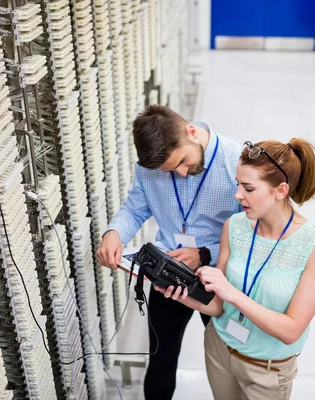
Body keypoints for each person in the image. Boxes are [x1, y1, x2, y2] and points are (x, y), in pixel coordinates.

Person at [156, 139, 315, 400]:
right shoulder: (235, 225)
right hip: (220, 351)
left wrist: (230, 292)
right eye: (237, 185)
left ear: (281, 190)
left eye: (248, 188)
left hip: (267, 372)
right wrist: (183, 295)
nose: (237, 195)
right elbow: (218, 306)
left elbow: (291, 330)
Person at [96, 105, 242, 400]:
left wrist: (203, 253)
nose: (182, 173)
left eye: (183, 162)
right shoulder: (149, 169)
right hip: (168, 275)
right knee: (161, 360)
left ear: (191, 131)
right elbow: (135, 207)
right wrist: (113, 233)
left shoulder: (234, 161)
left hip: (219, 275)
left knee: (230, 358)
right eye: (171, 170)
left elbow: (249, 232)